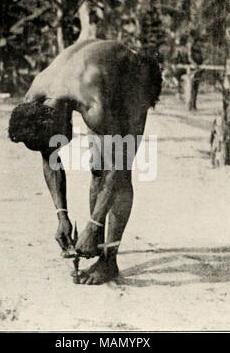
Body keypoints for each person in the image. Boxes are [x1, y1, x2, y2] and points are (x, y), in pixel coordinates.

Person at [8, 39, 162, 285]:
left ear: (58, 121)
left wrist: (92, 225)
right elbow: (50, 157)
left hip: (131, 75)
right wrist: (62, 217)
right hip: (94, 71)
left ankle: (109, 259)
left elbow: (118, 167)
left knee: (116, 170)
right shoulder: (35, 97)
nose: (60, 145)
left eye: (58, 139)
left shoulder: (93, 104)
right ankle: (96, 240)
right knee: (97, 168)